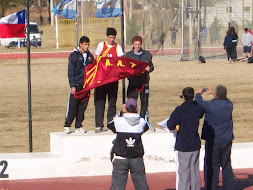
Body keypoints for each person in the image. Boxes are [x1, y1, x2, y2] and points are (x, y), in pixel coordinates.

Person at [195, 85, 235, 190]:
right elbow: (223, 99)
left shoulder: (211, 105)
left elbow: (200, 103)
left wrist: (198, 93)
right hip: (226, 139)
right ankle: (230, 187)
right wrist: (214, 93)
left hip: (214, 141)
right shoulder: (229, 104)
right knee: (226, 165)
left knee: (212, 166)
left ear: (216, 95)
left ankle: (211, 187)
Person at [107, 98, 150, 190]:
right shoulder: (142, 122)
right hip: (136, 158)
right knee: (141, 185)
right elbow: (146, 127)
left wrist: (121, 113)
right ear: (136, 108)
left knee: (117, 186)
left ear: (125, 108)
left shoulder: (118, 121)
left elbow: (110, 124)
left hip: (121, 158)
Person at [167, 87, 204, 190]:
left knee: (184, 172)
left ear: (183, 96)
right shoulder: (197, 108)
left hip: (184, 144)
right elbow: (200, 111)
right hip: (195, 143)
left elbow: (170, 124)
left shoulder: (180, 110)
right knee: (194, 170)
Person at [94, 27, 124, 133]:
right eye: (110, 37)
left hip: (112, 80)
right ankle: (98, 125)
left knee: (112, 102)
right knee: (100, 102)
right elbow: (96, 60)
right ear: (106, 36)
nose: (111, 39)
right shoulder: (101, 46)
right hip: (101, 80)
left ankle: (110, 123)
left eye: (113, 37)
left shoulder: (118, 48)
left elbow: (121, 62)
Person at [63, 36, 94, 134]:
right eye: (85, 44)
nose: (87, 46)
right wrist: (73, 85)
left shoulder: (90, 56)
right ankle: (67, 125)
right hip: (76, 84)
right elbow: (71, 71)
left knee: (82, 107)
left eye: (88, 44)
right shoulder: (74, 56)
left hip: (86, 85)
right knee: (73, 106)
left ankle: (78, 125)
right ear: (80, 44)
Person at [125, 36, 155, 130]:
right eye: (136, 44)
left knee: (144, 102)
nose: (137, 46)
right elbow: (126, 68)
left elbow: (151, 65)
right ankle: (130, 123)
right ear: (133, 44)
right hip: (133, 83)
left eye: (139, 44)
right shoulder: (128, 56)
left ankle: (143, 121)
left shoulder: (147, 54)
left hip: (144, 82)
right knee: (131, 102)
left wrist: (149, 69)